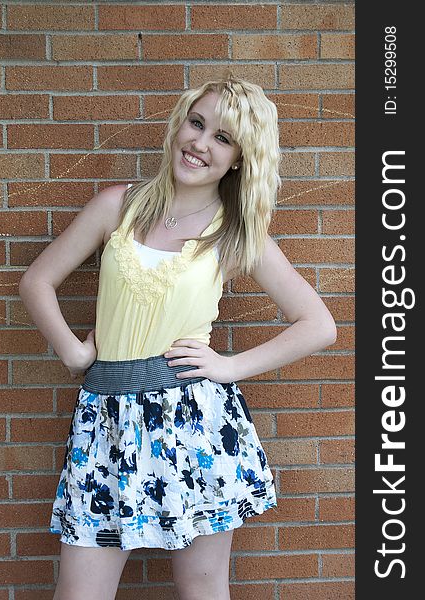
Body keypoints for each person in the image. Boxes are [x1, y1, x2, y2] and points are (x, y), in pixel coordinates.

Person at [18, 75, 337, 600]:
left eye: (223, 138)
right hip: (107, 421)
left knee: (202, 589)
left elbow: (317, 324)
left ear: (238, 158)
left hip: (195, 424)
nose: (201, 143)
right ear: (180, 125)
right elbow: (37, 281)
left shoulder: (235, 233)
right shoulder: (118, 206)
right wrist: (74, 351)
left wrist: (229, 366)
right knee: (79, 593)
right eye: (197, 123)